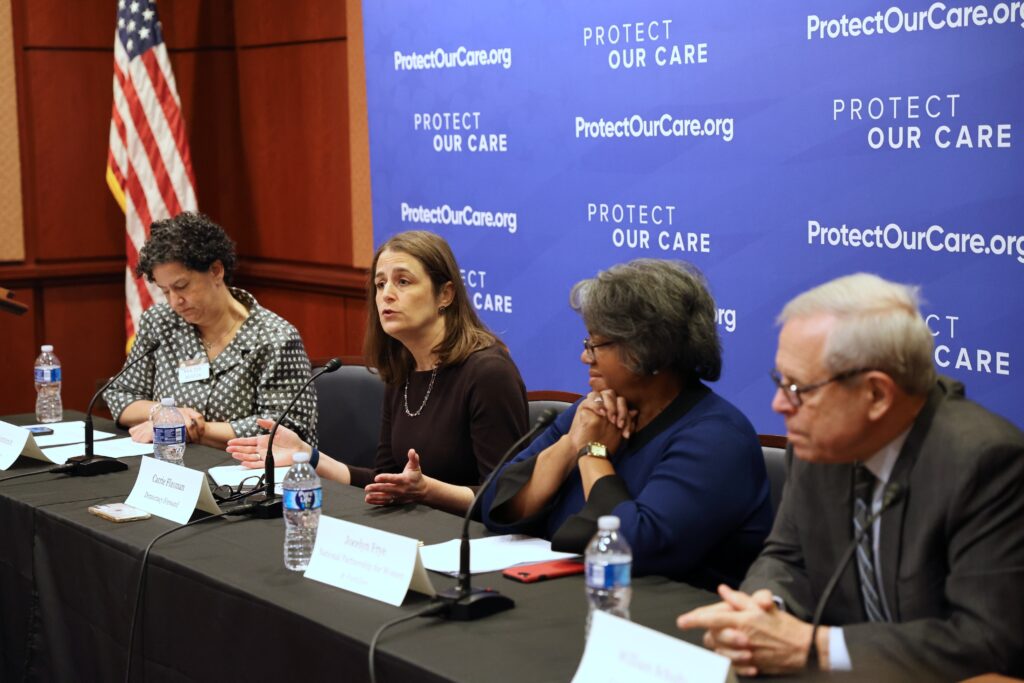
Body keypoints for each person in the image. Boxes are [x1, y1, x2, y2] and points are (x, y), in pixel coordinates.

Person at [677, 273, 1024, 681]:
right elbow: (787, 557)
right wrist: (764, 613)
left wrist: (815, 647)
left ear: (876, 395)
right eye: (779, 382)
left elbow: (986, 640)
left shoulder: (984, 461)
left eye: (797, 388)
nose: (778, 404)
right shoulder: (817, 442)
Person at [480, 259, 772, 587]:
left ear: (649, 348)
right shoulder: (590, 412)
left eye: (597, 344)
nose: (585, 357)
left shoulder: (716, 438)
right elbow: (493, 504)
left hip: (670, 622)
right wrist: (571, 444)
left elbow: (635, 547)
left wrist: (593, 455)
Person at [228, 230, 529, 516]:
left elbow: (505, 499)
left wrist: (427, 490)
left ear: (445, 294)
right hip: (416, 529)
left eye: (403, 282)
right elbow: (385, 479)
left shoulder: (488, 373)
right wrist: (309, 457)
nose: (387, 295)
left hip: (473, 545)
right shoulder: (404, 368)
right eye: (380, 284)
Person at [103, 212, 317, 450]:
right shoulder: (160, 323)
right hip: (172, 466)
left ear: (216, 270)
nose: (175, 301)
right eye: (165, 291)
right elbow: (119, 395)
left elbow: (286, 427)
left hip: (245, 473)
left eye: (182, 286)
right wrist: (163, 412)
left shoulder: (275, 339)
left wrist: (192, 427)